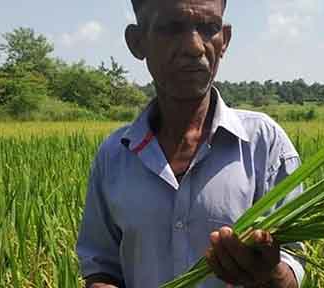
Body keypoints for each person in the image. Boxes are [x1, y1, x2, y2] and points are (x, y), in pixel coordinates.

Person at [76, 0, 304, 287]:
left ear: (225, 40)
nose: (195, 47)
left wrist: (270, 275)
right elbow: (101, 266)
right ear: (137, 42)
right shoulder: (114, 156)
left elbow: (293, 263)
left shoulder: (265, 146)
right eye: (171, 28)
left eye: (209, 28)